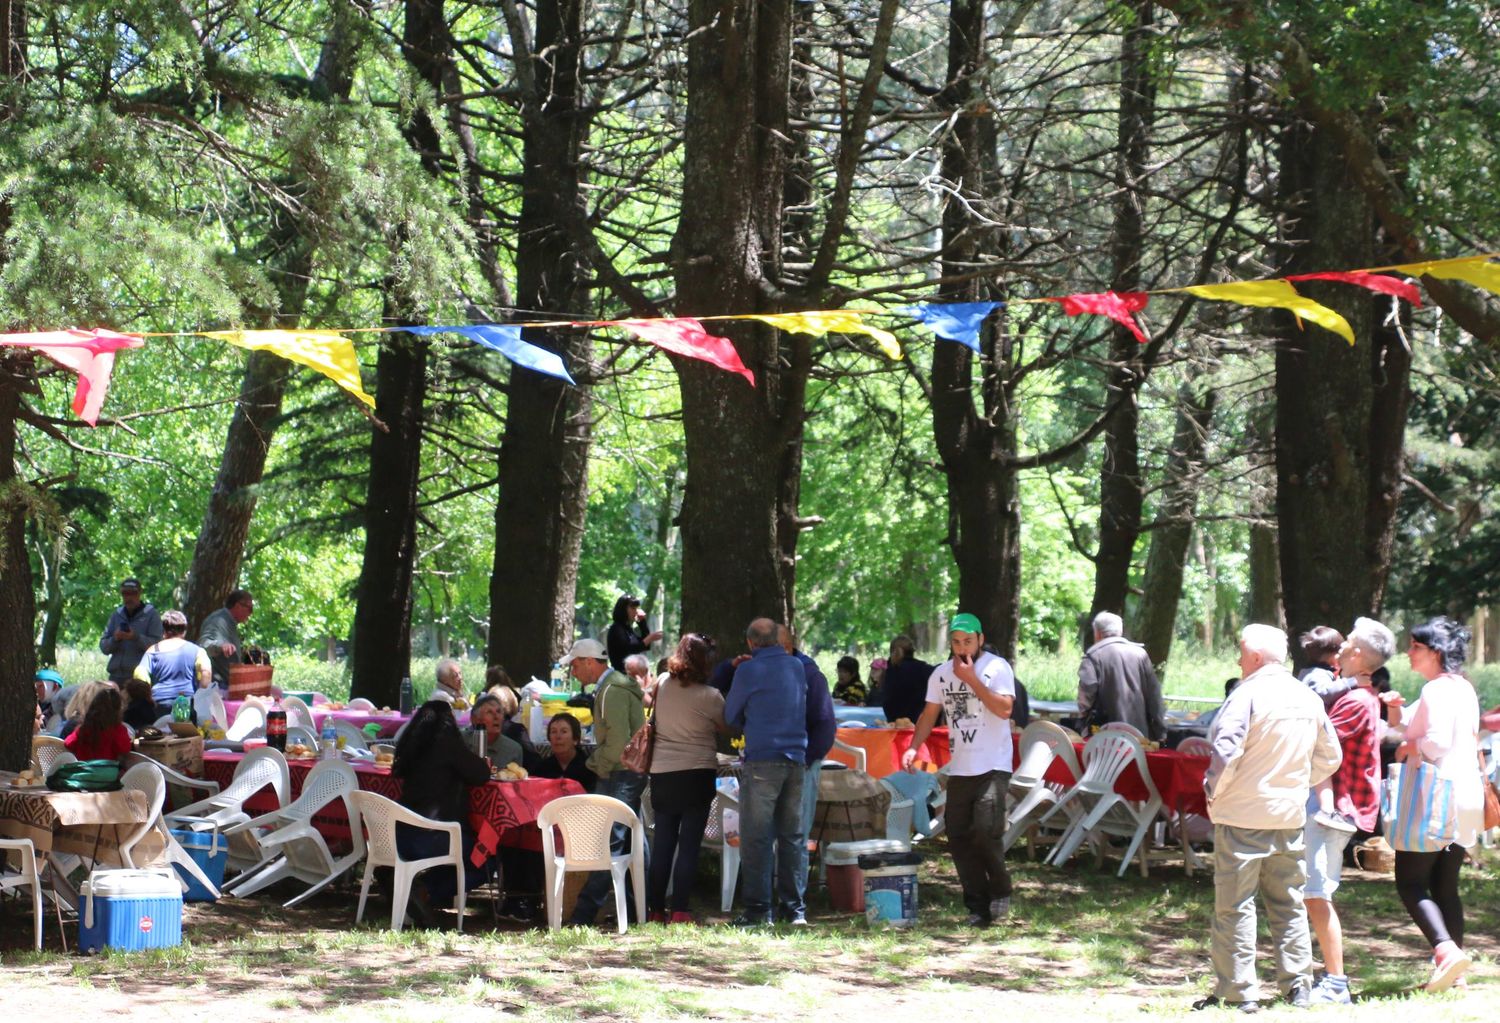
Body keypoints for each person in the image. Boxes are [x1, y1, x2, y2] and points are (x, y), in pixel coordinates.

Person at [1194, 624, 1341, 1013]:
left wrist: (1213, 793)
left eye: (1241, 652)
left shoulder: (1247, 695)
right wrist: (1296, 784)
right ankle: (1299, 987)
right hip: (1288, 815)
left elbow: (1225, 753)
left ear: (1255, 656)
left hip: (1242, 814)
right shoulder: (1306, 696)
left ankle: (1239, 992)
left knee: (1235, 905)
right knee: (1288, 902)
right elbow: (1331, 757)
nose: (1238, 660)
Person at [1383, 616, 1482, 992]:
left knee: (1410, 882)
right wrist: (1395, 712)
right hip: (1464, 797)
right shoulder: (1461, 688)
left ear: (1435, 652)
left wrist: (1408, 747)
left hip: (1436, 799)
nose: (1408, 653)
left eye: (1415, 647)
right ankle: (1454, 973)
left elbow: (1433, 742)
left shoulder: (1438, 690)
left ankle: (1445, 952)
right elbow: (1412, 723)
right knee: (1445, 886)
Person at [903, 613, 1017, 927]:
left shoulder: (996, 668)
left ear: (980, 639)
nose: (961, 647)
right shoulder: (940, 674)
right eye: (956, 642)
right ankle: (977, 906)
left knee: (985, 828)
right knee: (958, 833)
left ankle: (1000, 890)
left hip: (993, 764)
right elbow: (929, 714)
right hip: (962, 767)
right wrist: (914, 747)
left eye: (968, 641)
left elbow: (1005, 709)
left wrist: (971, 680)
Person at [1304, 617, 1393, 1005]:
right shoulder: (1357, 695)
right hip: (1335, 807)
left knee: (1317, 893)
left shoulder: (1356, 701)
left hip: (1335, 809)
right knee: (1312, 892)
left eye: (1348, 642)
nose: (1340, 646)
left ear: (1358, 653)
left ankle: (1336, 982)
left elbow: (1314, 740)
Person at [724, 618, 808, 926]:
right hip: (796, 757)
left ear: (750, 643)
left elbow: (730, 713)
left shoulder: (748, 670)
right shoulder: (796, 666)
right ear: (778, 639)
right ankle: (794, 908)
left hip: (763, 759)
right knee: (792, 836)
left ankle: (759, 910)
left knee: (757, 837)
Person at [565, 637, 647, 927]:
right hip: (624, 770)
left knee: (608, 845)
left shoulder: (611, 690)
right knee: (634, 844)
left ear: (589, 662)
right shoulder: (614, 686)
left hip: (619, 771)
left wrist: (592, 764)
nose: (573, 671)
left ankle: (583, 916)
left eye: (575, 665)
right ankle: (641, 910)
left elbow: (617, 745)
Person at [647, 633, 729, 923]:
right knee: (689, 844)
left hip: (663, 772)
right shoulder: (711, 696)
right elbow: (724, 727)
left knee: (664, 843)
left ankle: (654, 909)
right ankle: (681, 909)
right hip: (697, 772)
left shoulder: (661, 683)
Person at [390, 700, 495, 925]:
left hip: (399, 836)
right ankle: (426, 891)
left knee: (469, 853)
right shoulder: (447, 744)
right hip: (432, 837)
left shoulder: (411, 747)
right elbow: (480, 774)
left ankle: (413, 888)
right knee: (486, 858)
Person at [779, 624, 836, 921]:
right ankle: (771, 900)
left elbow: (825, 724)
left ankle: (794, 903)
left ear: (786, 647)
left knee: (797, 834)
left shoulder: (810, 675)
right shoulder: (766, 671)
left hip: (802, 765)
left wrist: (808, 759)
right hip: (772, 763)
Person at [1076, 611, 1166, 742]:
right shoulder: (1140, 654)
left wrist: (1082, 725)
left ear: (1098, 633)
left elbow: (1086, 698)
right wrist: (1161, 732)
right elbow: (1154, 696)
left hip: (1103, 736)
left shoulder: (1093, 657)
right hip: (1140, 735)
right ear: (1120, 631)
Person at [135, 609, 212, 719]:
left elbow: (139, 675)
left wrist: (148, 698)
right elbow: (206, 673)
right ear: (184, 630)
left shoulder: (153, 651)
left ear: (164, 630)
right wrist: (201, 697)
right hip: (187, 704)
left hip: (159, 705)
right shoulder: (197, 650)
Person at [99, 577, 165, 685]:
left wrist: (136, 637)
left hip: (141, 678)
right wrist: (115, 638)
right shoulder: (116, 615)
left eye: (133, 593)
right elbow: (104, 647)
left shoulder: (151, 615)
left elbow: (157, 648)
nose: (129, 597)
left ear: (139, 593)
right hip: (116, 678)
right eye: (125, 594)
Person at [198, 589, 254, 690]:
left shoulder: (230, 623)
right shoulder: (218, 620)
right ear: (238, 606)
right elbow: (203, 644)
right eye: (250, 608)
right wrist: (220, 646)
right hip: (217, 685)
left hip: (227, 684)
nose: (250, 613)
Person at [63, 685, 131, 762]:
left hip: (83, 771)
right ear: (118, 710)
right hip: (107, 772)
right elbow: (125, 749)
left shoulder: (84, 728)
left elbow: (68, 743)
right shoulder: (119, 730)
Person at [532, 712, 597, 790]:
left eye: (564, 731)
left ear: (575, 739)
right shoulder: (541, 769)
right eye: (553, 732)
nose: (558, 736)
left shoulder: (589, 769)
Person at [881, 635, 934, 724]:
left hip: (895, 723)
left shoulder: (890, 671)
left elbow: (887, 701)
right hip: (919, 722)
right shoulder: (923, 668)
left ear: (892, 651)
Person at [606, 594, 662, 672]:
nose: (636, 611)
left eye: (636, 608)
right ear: (623, 609)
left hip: (631, 674)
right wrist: (650, 638)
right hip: (621, 675)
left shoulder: (627, 628)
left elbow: (645, 646)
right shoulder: (617, 628)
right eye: (632, 608)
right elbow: (631, 649)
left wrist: (642, 622)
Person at [469, 693, 525, 769]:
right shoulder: (461, 743)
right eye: (489, 712)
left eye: (499, 712)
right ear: (475, 719)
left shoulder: (513, 750)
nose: (496, 717)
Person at [1297, 625, 1349, 705]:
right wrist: (1351, 682)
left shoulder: (1312, 672)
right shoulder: (1316, 675)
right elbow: (1324, 693)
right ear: (1333, 656)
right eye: (1340, 652)